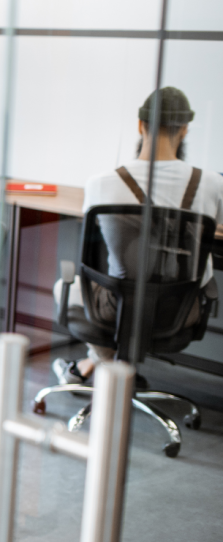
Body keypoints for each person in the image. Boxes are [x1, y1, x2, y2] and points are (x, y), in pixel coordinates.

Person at [52, 87, 223, 386]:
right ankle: (108, 372)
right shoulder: (211, 184)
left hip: (116, 306)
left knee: (63, 286)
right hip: (181, 311)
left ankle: (107, 370)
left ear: (140, 125)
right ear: (184, 130)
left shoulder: (100, 184)